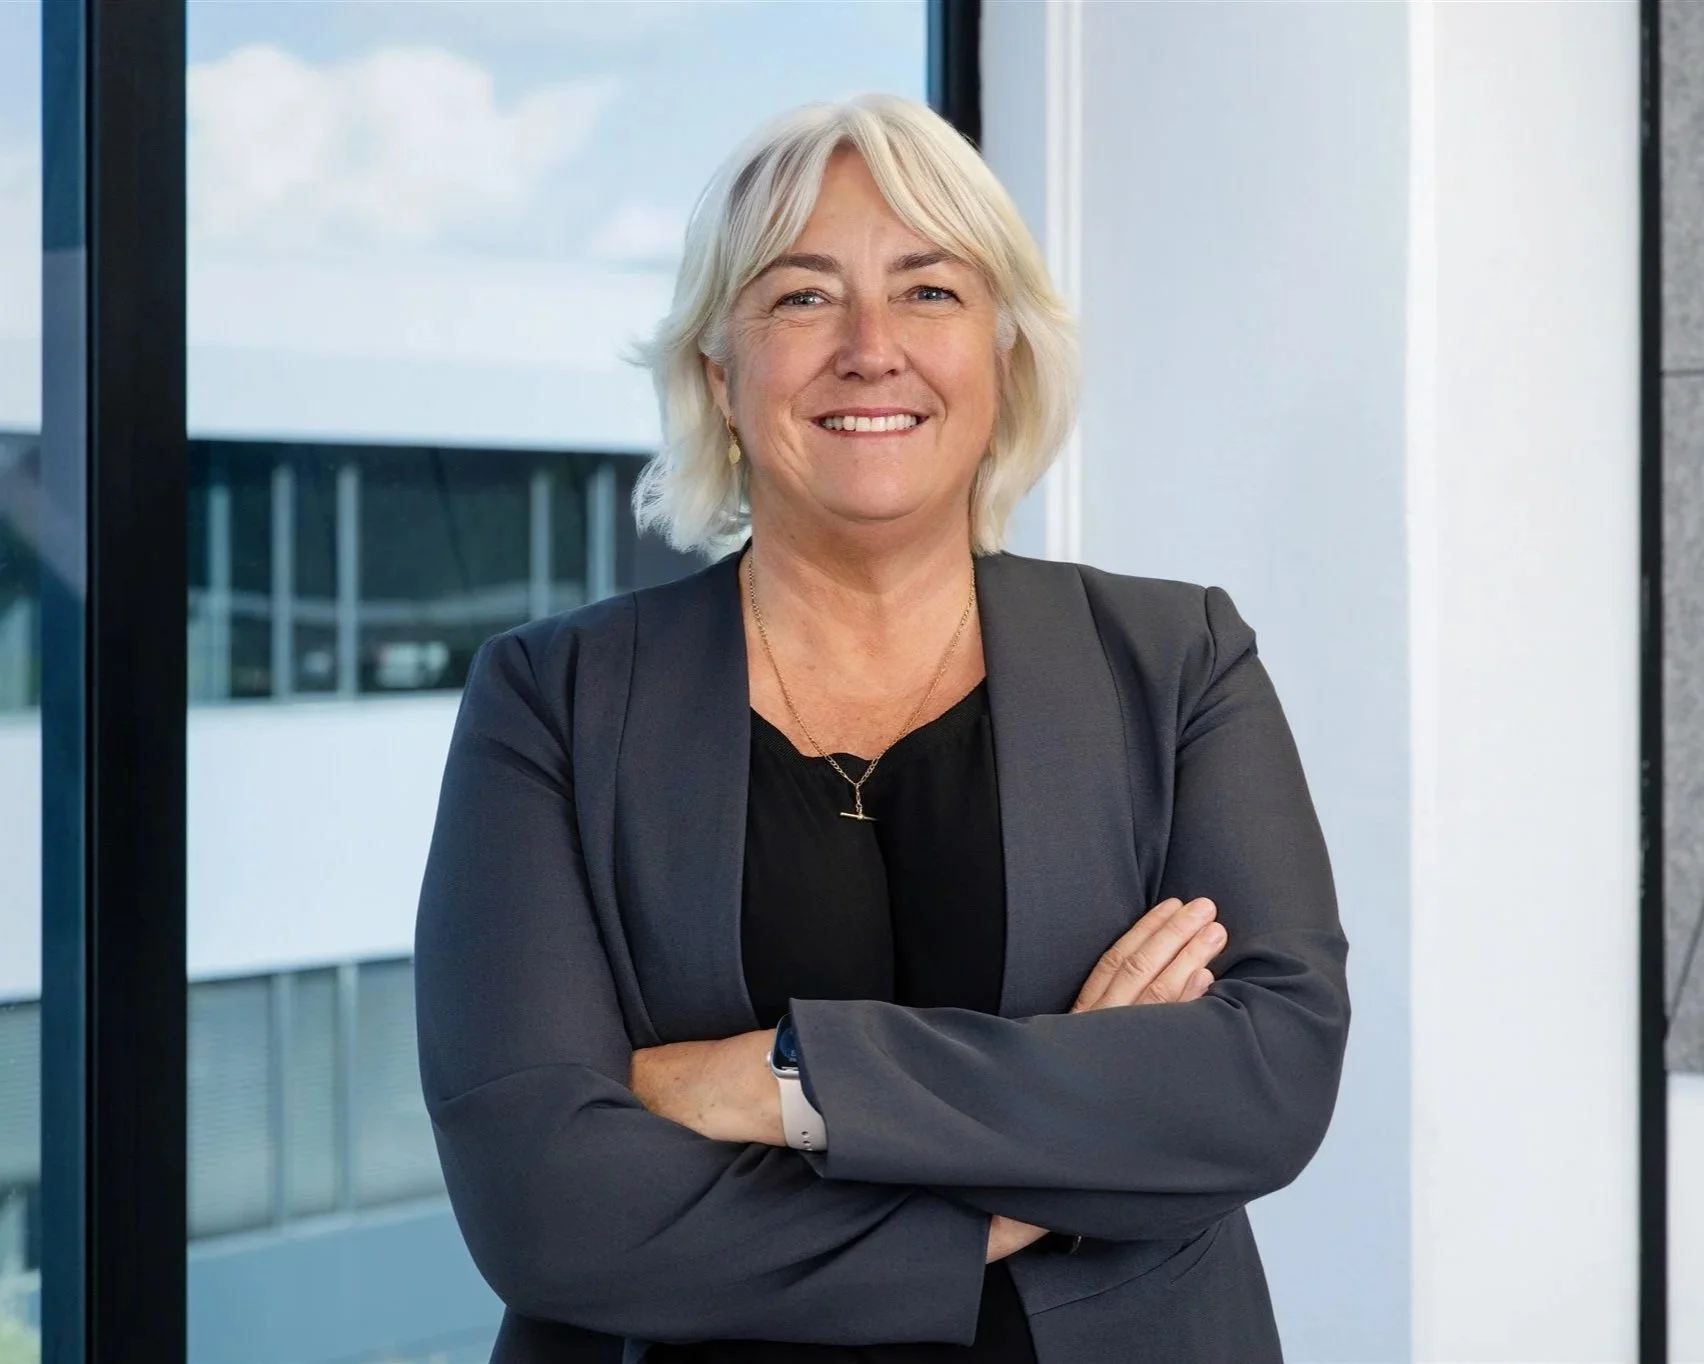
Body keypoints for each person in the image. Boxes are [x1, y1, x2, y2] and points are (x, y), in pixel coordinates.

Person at [413, 93, 1350, 1364]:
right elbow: (544, 1197)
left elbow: (1262, 1081)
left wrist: (785, 1079)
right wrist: (1033, 1171)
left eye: (929, 292)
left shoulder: (1177, 660)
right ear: (719, 377)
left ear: (1003, 356)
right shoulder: (556, 699)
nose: (870, 347)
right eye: (802, 298)